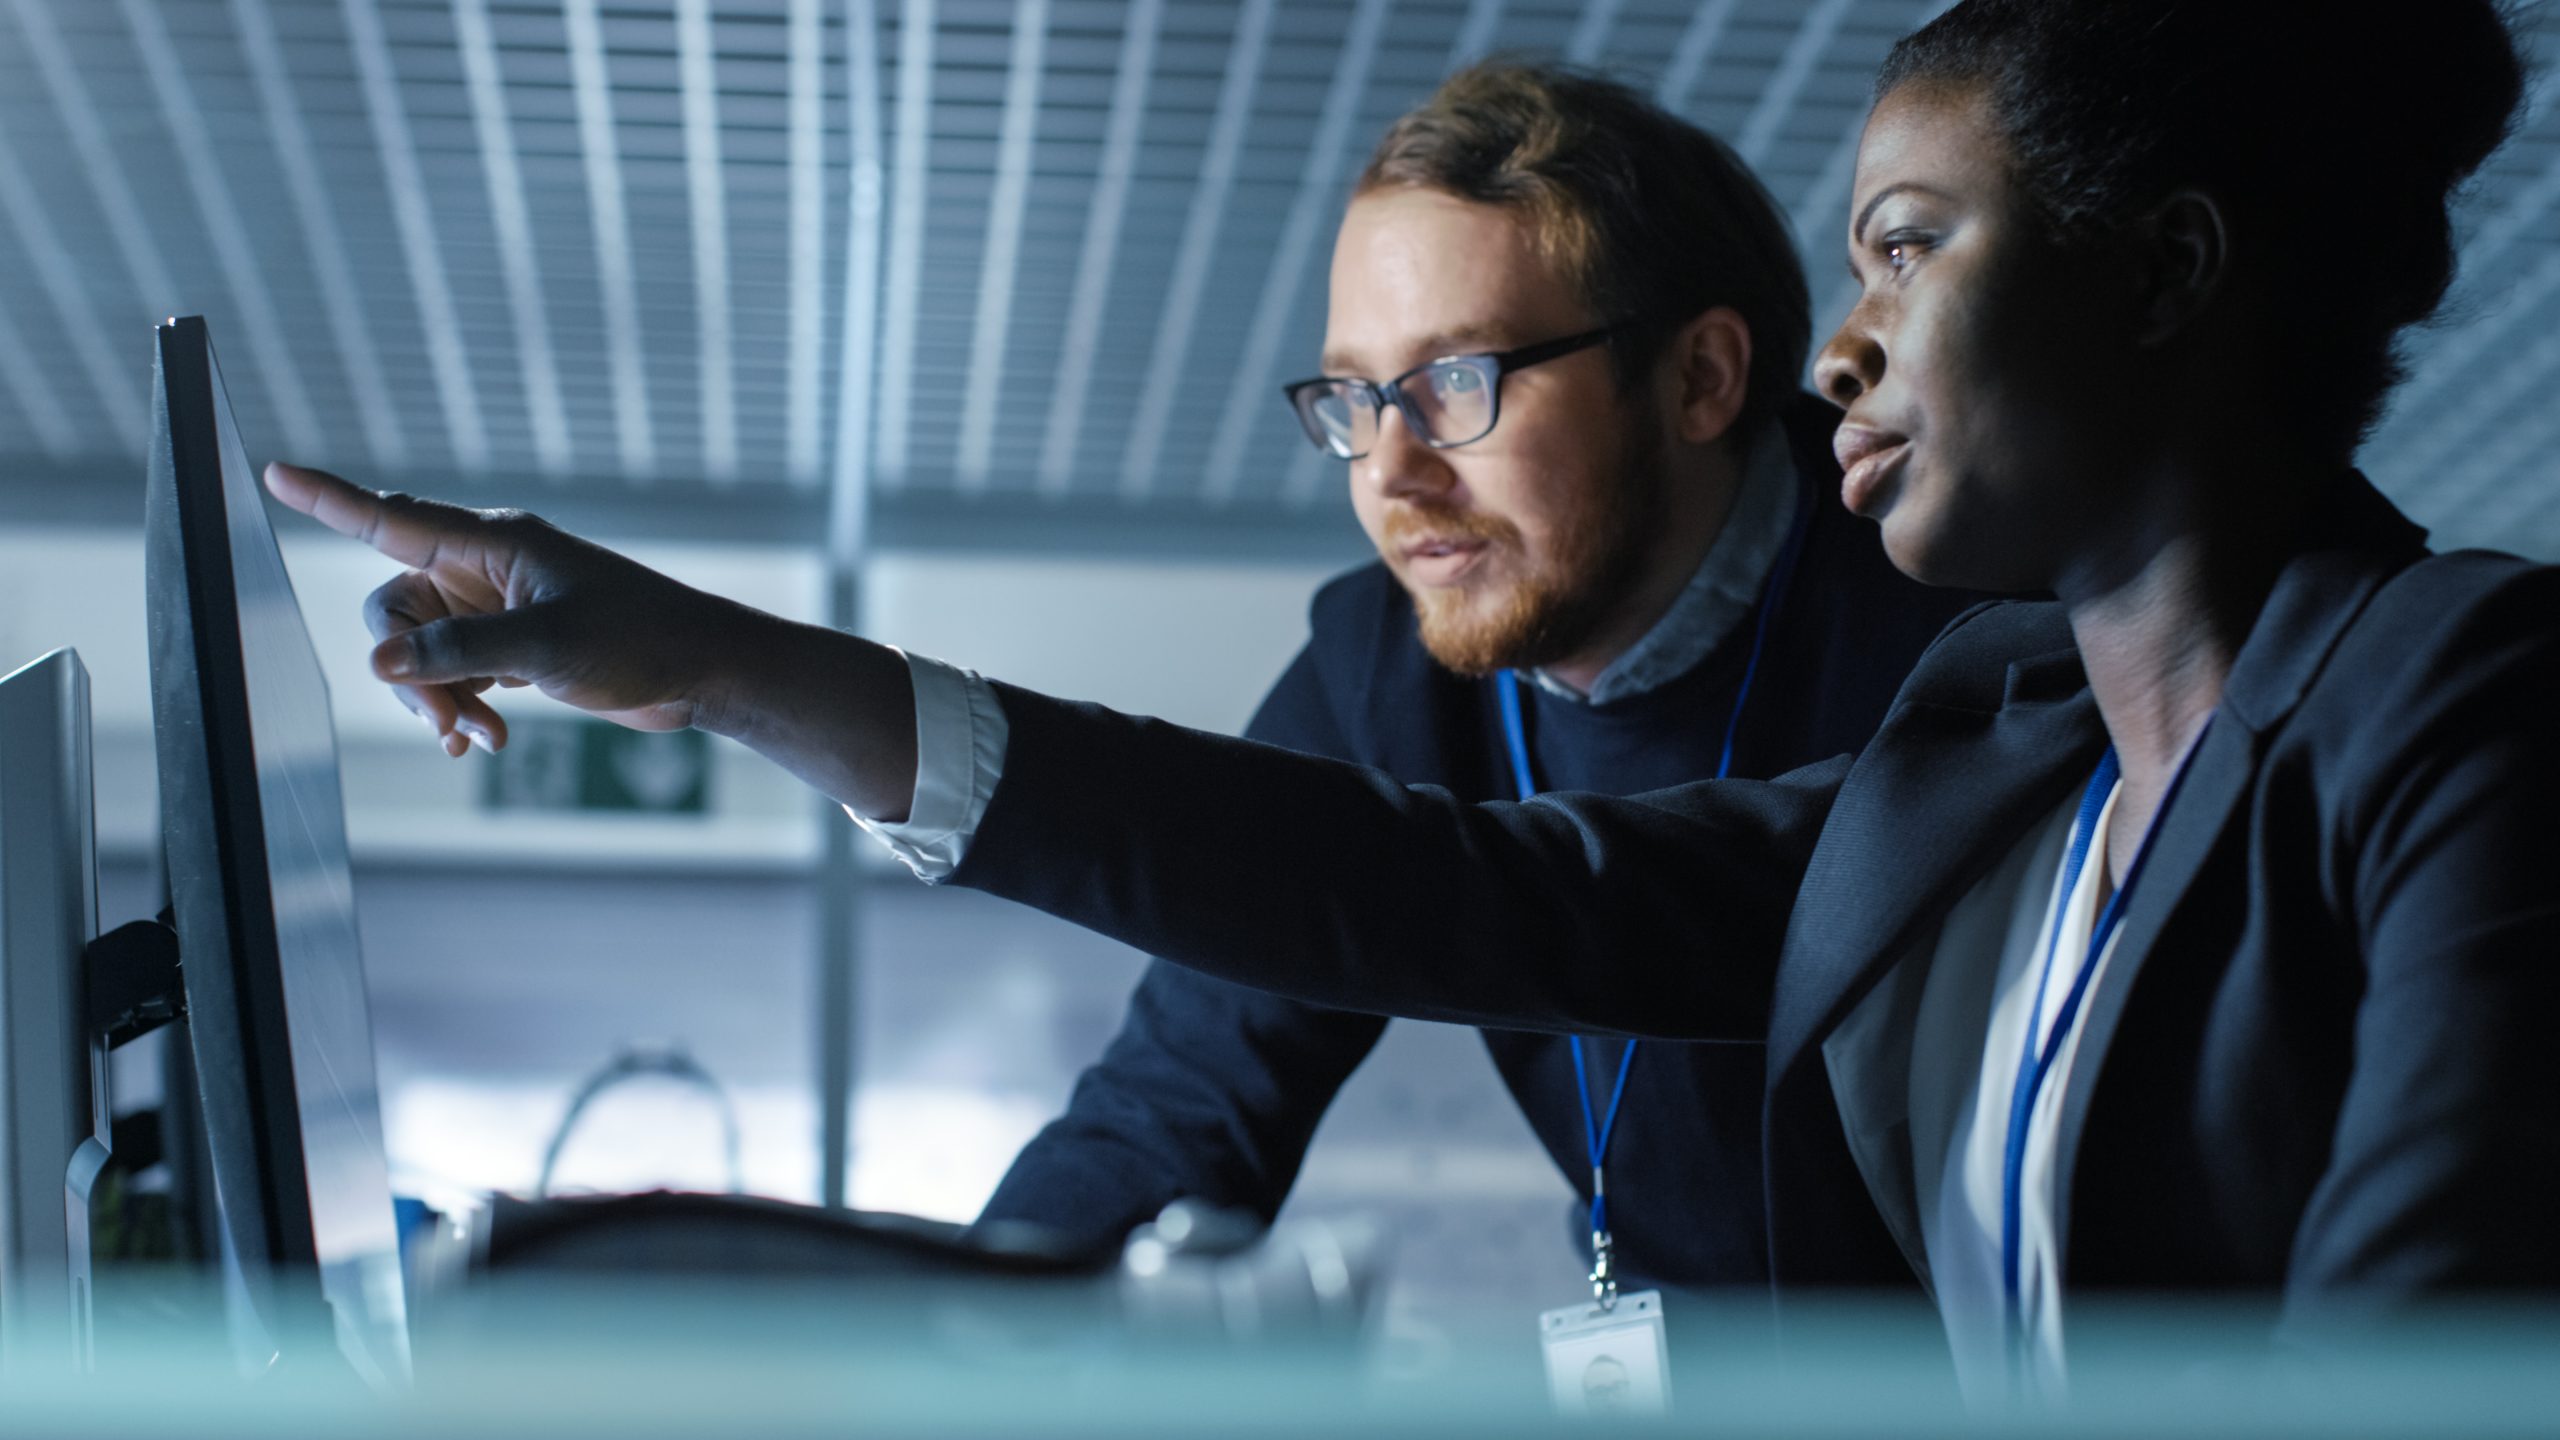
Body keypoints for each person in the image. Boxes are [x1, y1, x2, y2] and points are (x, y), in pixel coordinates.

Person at [268, 0, 2556, 1395]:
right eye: (1346, 396)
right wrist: (726, 665)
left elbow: (2421, 1352)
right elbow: (1413, 901)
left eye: (1905, 247)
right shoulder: (2003, 746)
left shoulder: (2445, 692)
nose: (1388, 466)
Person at [971, 63, 1978, 1296]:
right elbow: (1176, 1100)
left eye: (1457, 383)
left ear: (1700, 379)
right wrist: (940, 1342)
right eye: (1356, 396)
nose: (1390, 472)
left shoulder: (1954, 608)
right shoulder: (1379, 668)